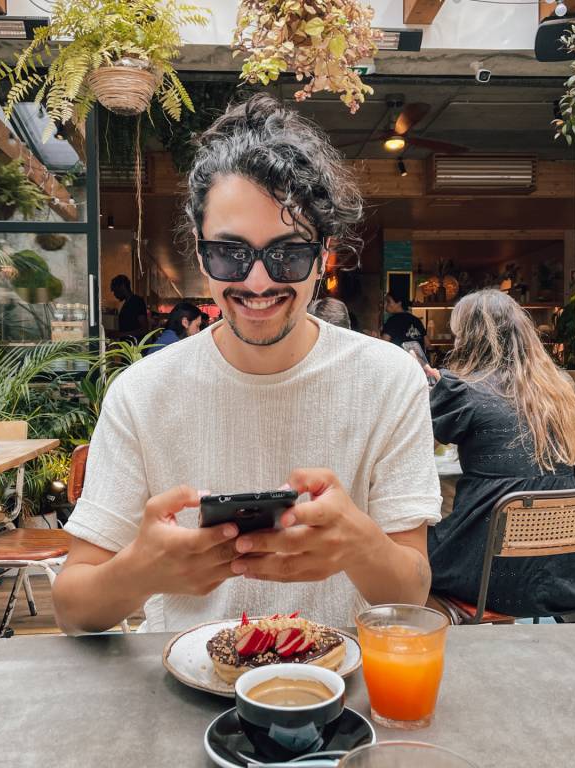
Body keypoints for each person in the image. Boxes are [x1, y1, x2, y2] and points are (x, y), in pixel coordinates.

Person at [54, 94, 441, 634]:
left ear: (323, 254)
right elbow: (74, 609)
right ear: (199, 247)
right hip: (178, 688)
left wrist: (361, 545)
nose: (258, 282)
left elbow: (411, 593)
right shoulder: (141, 391)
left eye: (288, 254)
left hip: (335, 695)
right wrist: (138, 571)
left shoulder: (387, 379)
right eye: (230, 253)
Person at [421, 290, 575, 620]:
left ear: (469, 336)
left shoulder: (464, 390)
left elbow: (419, 445)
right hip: (571, 572)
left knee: (407, 554)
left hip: (489, 575)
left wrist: (422, 393)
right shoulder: (559, 388)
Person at [110, 274, 148, 342]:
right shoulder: (126, 303)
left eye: (115, 291)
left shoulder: (137, 302)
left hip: (134, 349)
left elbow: (144, 330)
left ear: (122, 287)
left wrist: (121, 334)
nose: (115, 295)